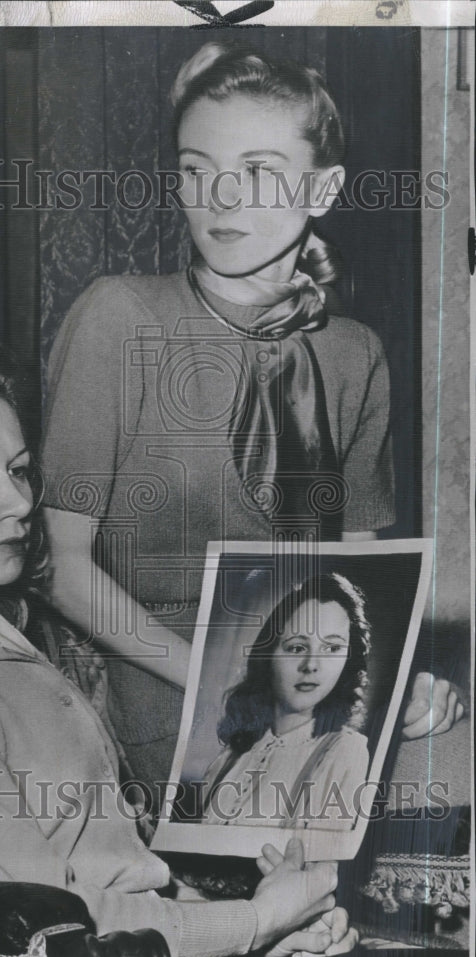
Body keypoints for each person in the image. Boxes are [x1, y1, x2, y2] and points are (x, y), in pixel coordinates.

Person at [0, 335, 355, 957]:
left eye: (19, 468)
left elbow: (112, 874)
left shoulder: (4, 649)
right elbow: (44, 921)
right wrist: (258, 920)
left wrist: (267, 927)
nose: (19, 502)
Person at [40, 41, 462, 800]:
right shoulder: (121, 317)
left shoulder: (355, 353)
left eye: (260, 171)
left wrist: (400, 682)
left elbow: (359, 574)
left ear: (324, 188)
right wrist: (220, 677)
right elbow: (61, 567)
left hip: (311, 678)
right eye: (198, 171)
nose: (221, 199)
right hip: (160, 683)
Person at [202, 573, 370, 829]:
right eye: (296, 647)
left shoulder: (345, 751)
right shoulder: (232, 755)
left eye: (332, 649)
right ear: (268, 655)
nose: (311, 665)